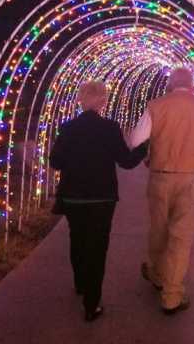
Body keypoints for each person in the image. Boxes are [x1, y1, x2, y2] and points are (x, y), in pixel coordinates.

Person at [49, 81, 147, 322]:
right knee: (98, 246)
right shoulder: (110, 128)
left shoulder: (68, 128)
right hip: (102, 197)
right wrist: (145, 147)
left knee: (77, 238)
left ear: (81, 100)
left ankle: (80, 282)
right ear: (103, 101)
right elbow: (126, 161)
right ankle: (91, 304)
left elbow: (55, 162)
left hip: (73, 196)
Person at [130, 67, 194, 315]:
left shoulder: (156, 105)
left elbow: (136, 140)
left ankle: (157, 274)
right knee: (181, 238)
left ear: (171, 85)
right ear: (192, 86)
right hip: (189, 179)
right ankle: (171, 296)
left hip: (160, 177)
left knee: (159, 229)